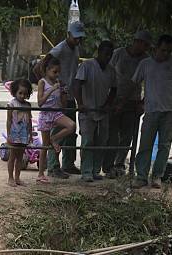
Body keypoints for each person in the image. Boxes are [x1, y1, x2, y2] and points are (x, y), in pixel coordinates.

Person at [133, 35, 172, 188]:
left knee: (165, 145)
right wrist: (138, 102)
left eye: (168, 51)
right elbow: (134, 83)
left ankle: (157, 176)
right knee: (145, 144)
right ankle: (141, 176)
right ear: (156, 49)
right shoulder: (145, 64)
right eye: (163, 50)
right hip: (151, 110)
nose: (165, 54)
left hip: (170, 111)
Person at [102, 31, 152, 178]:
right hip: (115, 98)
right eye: (145, 45)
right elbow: (108, 74)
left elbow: (148, 84)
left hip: (133, 102)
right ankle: (108, 165)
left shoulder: (146, 60)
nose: (146, 48)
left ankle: (119, 164)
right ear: (137, 42)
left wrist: (142, 102)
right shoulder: (118, 54)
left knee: (127, 135)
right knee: (112, 135)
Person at [73, 40, 117, 183]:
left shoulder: (111, 70)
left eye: (110, 55)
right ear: (99, 53)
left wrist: (108, 104)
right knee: (87, 141)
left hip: (102, 110)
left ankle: (95, 170)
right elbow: (77, 84)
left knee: (101, 141)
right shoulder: (87, 66)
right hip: (88, 109)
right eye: (105, 54)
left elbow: (114, 89)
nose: (107, 57)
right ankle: (86, 171)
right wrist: (80, 103)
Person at [47, 21, 86, 178]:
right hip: (58, 97)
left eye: (79, 38)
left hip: (70, 95)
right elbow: (40, 67)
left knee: (71, 131)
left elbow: (73, 75)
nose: (77, 40)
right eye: (75, 37)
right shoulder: (59, 49)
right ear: (68, 34)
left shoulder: (75, 49)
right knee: (58, 131)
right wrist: (49, 87)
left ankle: (68, 163)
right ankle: (53, 166)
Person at [37, 56, 75, 184]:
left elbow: (63, 106)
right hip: (46, 114)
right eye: (54, 72)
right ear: (47, 70)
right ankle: (41, 173)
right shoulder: (43, 82)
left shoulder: (59, 83)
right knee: (44, 147)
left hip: (56, 113)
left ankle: (54, 139)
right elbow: (40, 102)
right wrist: (52, 89)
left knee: (71, 126)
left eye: (59, 72)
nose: (57, 74)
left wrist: (64, 93)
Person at [6, 78, 33, 187]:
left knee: (20, 157)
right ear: (15, 92)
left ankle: (17, 178)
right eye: (20, 93)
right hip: (14, 134)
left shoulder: (28, 105)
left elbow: (30, 120)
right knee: (12, 156)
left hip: (24, 135)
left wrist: (30, 134)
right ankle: (10, 178)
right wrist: (8, 135)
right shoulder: (11, 104)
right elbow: (9, 120)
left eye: (25, 93)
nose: (22, 96)